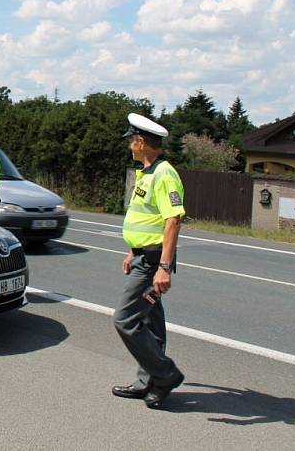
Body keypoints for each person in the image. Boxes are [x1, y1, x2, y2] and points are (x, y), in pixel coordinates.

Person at [112, 113, 186, 409]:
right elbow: (149, 218)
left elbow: (173, 220)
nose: (130, 145)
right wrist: (133, 249)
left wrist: (164, 268)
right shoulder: (147, 172)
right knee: (151, 322)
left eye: (132, 140)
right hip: (143, 256)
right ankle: (148, 382)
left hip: (153, 263)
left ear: (141, 142)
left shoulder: (164, 173)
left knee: (125, 320)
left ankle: (165, 374)